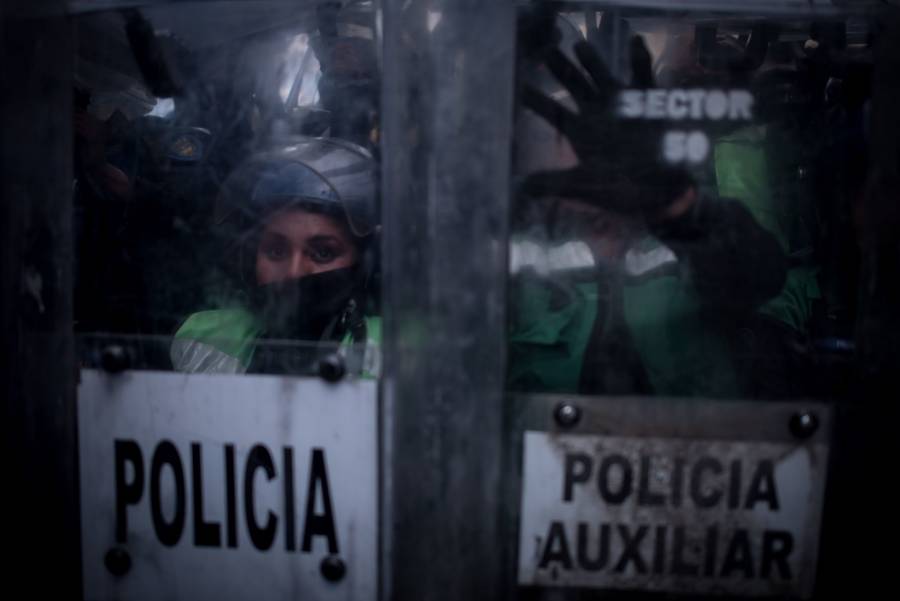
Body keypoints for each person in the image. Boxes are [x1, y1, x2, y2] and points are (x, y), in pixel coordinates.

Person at [508, 22, 788, 398]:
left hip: (698, 445)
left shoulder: (689, 234)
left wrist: (673, 205)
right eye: (561, 136)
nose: (590, 161)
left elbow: (763, 275)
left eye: (602, 146)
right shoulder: (519, 253)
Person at [170, 137, 380, 376]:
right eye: (276, 251)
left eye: (323, 253)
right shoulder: (202, 337)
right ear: (251, 261)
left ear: (364, 264)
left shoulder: (397, 349)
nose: (293, 272)